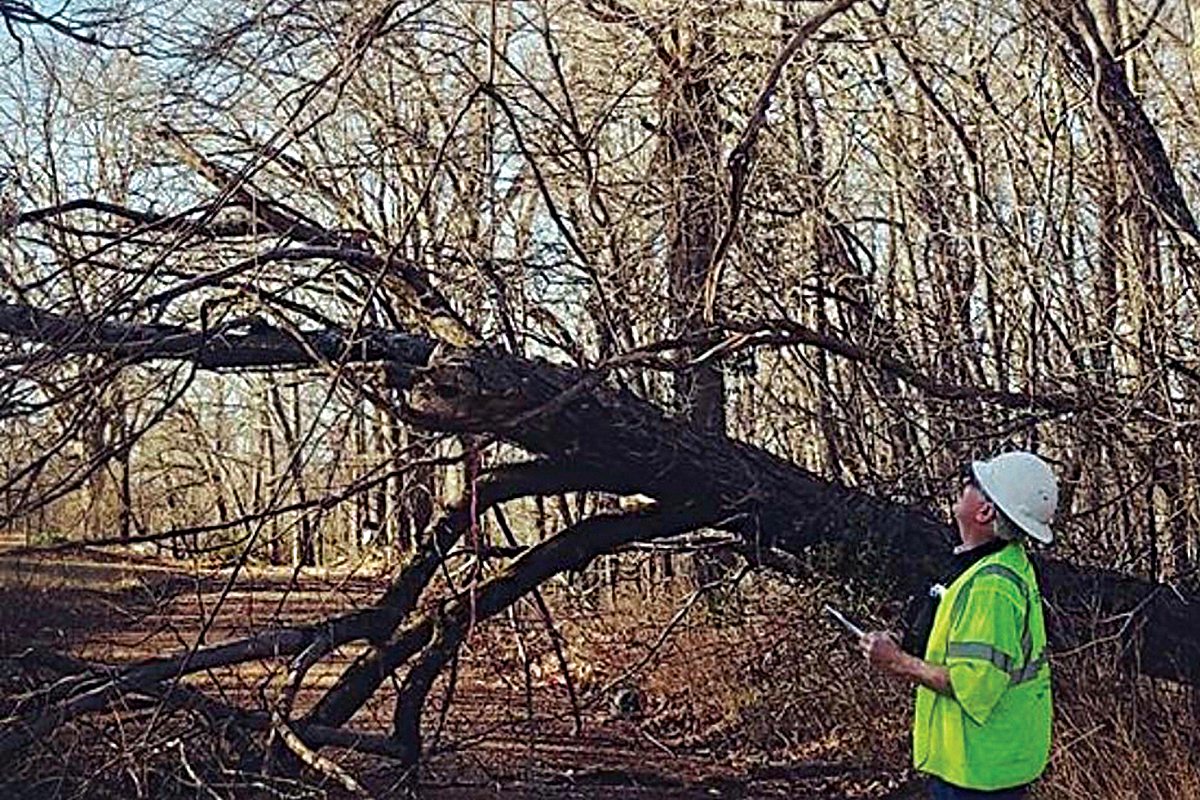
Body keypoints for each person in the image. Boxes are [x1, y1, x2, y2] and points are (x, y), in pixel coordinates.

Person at [860, 452, 1057, 799]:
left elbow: (974, 686)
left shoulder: (991, 587)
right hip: (984, 766)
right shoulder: (988, 566)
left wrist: (897, 662)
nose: (963, 486)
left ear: (985, 512)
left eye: (973, 484)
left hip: (979, 775)